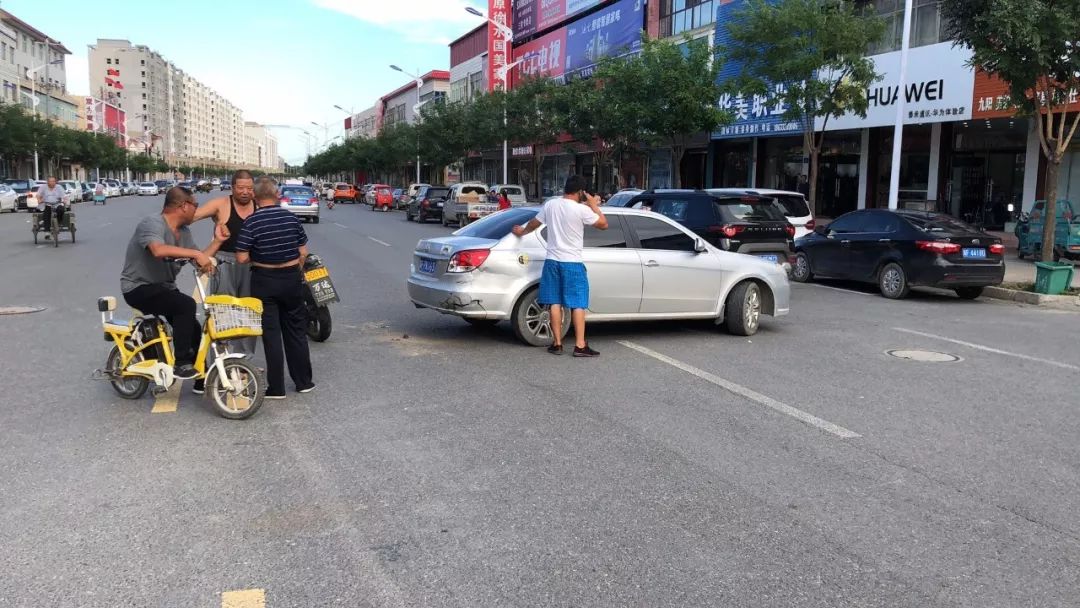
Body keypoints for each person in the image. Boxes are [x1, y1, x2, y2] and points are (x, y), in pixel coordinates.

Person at [121, 187, 225, 379]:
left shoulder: (184, 232)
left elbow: (198, 261)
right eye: (195, 205)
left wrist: (218, 242)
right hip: (138, 287)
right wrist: (196, 254)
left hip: (164, 288)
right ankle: (182, 362)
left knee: (194, 329)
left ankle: (202, 379)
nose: (196, 210)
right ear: (183, 206)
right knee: (185, 305)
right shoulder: (152, 223)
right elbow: (158, 250)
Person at [511, 175, 608, 357]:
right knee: (577, 304)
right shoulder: (581, 210)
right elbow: (604, 224)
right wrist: (593, 204)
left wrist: (522, 231)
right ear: (580, 192)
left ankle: (557, 344)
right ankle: (580, 345)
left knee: (554, 302)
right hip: (572, 263)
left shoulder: (551, 204)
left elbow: (534, 223)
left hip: (552, 261)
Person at [235, 177, 314, 399]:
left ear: (255, 197)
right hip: (291, 278)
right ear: (277, 195)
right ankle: (304, 382)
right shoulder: (291, 218)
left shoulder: (251, 222)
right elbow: (303, 252)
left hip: (264, 280)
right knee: (296, 331)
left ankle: (277, 388)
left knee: (271, 335)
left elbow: (241, 257)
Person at [194, 169, 258, 359]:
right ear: (232, 188)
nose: (245, 192)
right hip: (224, 263)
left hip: (251, 265)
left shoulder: (259, 205)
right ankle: (222, 361)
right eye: (240, 188)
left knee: (249, 312)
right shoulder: (221, 204)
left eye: (249, 188)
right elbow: (191, 217)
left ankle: (245, 362)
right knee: (223, 312)